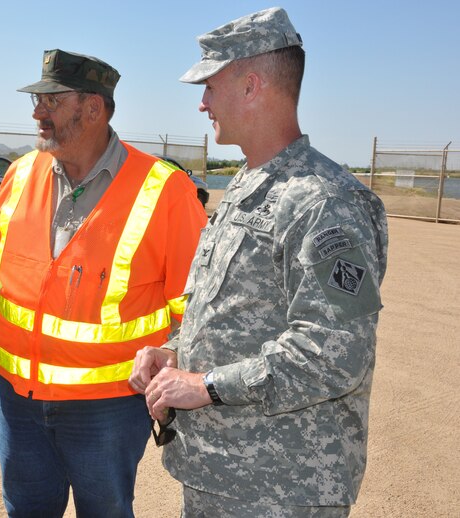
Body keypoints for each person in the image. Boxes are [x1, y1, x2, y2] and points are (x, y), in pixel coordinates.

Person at [129, 8, 389, 517]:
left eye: (210, 85)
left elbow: (335, 353)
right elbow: (235, 310)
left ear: (251, 86)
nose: (202, 102)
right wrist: (175, 351)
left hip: (284, 487)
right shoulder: (248, 185)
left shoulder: (323, 201)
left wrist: (205, 386)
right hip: (222, 473)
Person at [0, 49, 206, 517]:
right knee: (26, 509)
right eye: (37, 100)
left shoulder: (166, 191)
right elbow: (2, 279)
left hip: (108, 406)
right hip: (17, 398)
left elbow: (197, 308)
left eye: (52, 101)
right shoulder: (19, 175)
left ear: (94, 108)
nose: (37, 112)